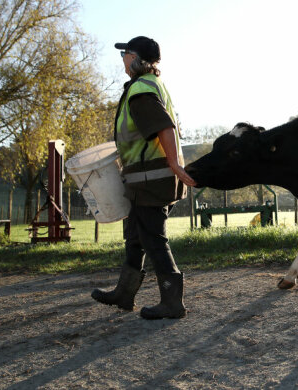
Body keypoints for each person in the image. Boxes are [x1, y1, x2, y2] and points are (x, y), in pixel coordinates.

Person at [91, 36, 196, 320]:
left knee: (152, 237)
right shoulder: (152, 84)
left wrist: (174, 163)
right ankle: (124, 292)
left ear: (136, 58)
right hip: (147, 177)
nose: (123, 60)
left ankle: (172, 302)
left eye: (125, 54)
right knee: (136, 236)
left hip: (152, 177)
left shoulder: (140, 90)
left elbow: (164, 127)